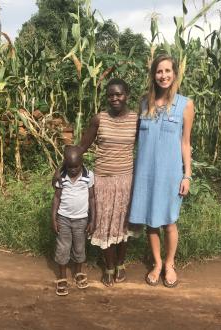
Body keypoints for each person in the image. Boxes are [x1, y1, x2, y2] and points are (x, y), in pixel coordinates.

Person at [129, 54, 195, 288]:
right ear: (153, 75)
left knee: (169, 222)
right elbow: (135, 139)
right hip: (145, 174)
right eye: (159, 71)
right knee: (151, 222)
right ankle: (156, 263)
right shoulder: (144, 103)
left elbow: (185, 143)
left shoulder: (185, 104)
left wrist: (187, 174)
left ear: (174, 74)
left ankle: (169, 263)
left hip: (170, 174)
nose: (163, 75)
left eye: (168, 71)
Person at [78, 78, 138, 287]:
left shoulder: (136, 120)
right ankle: (109, 267)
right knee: (104, 225)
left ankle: (121, 264)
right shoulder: (99, 119)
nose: (114, 98)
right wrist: (62, 169)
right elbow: (82, 146)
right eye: (110, 95)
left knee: (123, 227)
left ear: (127, 95)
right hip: (102, 182)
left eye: (119, 94)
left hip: (126, 182)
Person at [51, 145, 95, 296]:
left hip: (81, 219)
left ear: (82, 163)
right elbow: (56, 198)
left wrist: (92, 220)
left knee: (79, 247)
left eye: (76, 166)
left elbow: (92, 198)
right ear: (65, 164)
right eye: (69, 166)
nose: (73, 170)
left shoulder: (89, 175)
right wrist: (54, 219)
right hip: (63, 218)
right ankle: (62, 277)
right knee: (63, 248)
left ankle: (78, 273)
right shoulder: (61, 176)